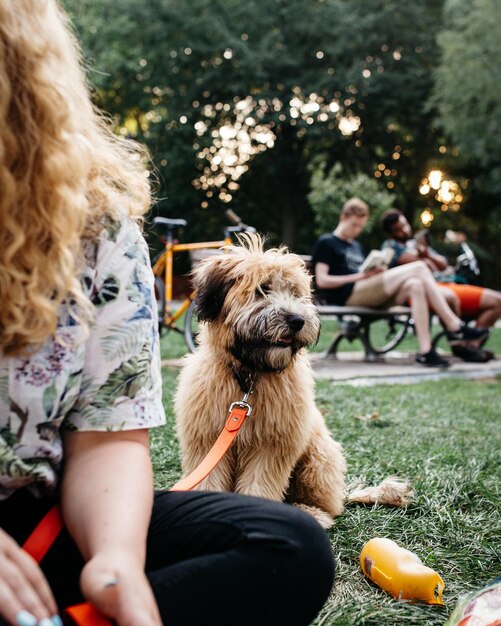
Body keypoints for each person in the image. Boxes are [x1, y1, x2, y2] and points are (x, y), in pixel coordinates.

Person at [0, 3, 335, 626]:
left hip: (44, 511)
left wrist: (117, 559)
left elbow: (108, 437)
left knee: (292, 546)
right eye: (260, 296)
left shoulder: (99, 231)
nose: (287, 314)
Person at [312, 198, 488, 367]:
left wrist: (375, 271)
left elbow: (364, 272)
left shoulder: (356, 246)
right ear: (343, 218)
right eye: (354, 225)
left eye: (360, 226)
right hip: (348, 295)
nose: (357, 230)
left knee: (415, 285)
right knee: (418, 267)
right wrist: (360, 277)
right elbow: (322, 281)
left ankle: (426, 352)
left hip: (368, 291)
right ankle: (454, 325)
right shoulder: (326, 242)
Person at [380, 209, 501, 362]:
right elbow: (418, 265)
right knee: (449, 297)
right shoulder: (390, 246)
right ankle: (459, 340)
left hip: (447, 284)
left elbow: (442, 264)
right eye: (398, 229)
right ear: (390, 232)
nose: (404, 230)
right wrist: (424, 258)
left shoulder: (415, 244)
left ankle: (471, 347)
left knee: (497, 301)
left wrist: (427, 255)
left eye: (404, 225)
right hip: (423, 289)